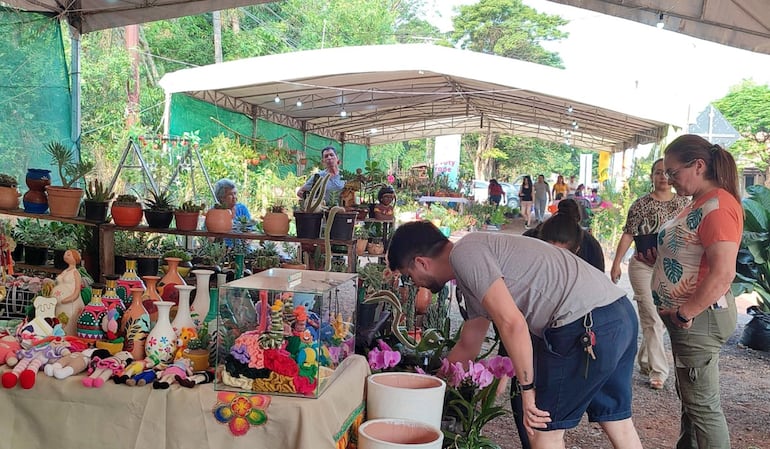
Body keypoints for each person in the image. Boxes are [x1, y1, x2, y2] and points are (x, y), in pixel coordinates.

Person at [388, 221, 643, 449]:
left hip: (585, 325)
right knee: (618, 422)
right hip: (618, 314)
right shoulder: (473, 262)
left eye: (410, 277)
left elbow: (513, 323)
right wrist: (429, 387)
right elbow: (469, 345)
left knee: (542, 429)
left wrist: (527, 390)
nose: (416, 284)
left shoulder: (465, 254)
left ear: (422, 262)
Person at [650, 135, 742, 448]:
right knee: (692, 399)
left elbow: (723, 272)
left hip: (696, 318)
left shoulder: (717, 206)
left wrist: (684, 313)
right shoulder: (701, 202)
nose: (669, 180)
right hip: (689, 318)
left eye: (673, 173)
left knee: (702, 406)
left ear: (698, 166)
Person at [610, 158, 690, 390]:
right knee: (651, 315)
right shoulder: (640, 204)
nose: (662, 177)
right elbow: (628, 234)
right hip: (642, 265)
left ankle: (646, 360)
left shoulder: (684, 204)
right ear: (652, 176)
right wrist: (616, 263)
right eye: (657, 173)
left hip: (670, 267)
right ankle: (659, 371)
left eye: (667, 173)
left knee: (659, 319)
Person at [52, 249, 84, 336]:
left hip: (71, 303)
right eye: (65, 254)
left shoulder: (76, 273)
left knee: (69, 322)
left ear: (75, 258)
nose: (66, 256)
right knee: (60, 321)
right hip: (60, 304)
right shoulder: (65, 271)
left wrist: (69, 298)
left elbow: (77, 289)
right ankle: (59, 334)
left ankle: (69, 336)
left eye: (69, 255)